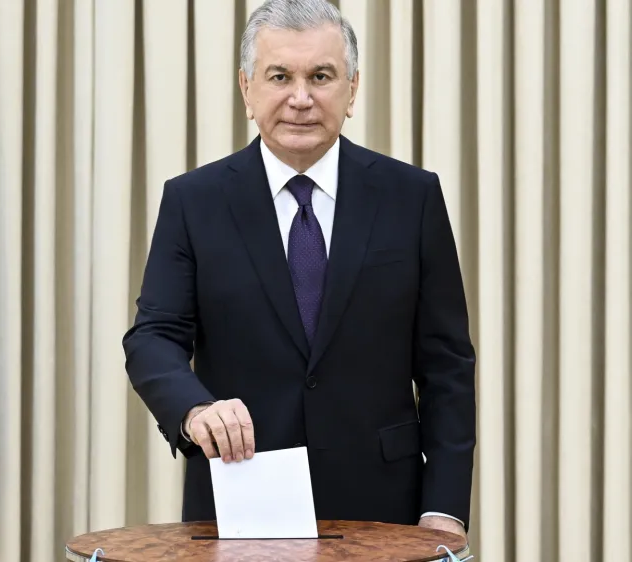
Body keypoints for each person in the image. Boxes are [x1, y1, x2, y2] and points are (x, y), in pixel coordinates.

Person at [122, 0, 476, 539]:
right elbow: (153, 338)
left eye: (321, 76)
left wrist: (444, 510)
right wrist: (195, 410)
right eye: (280, 76)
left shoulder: (412, 197)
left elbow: (446, 365)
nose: (301, 98)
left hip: (384, 507)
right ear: (247, 89)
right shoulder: (193, 201)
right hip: (241, 498)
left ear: (352, 89)